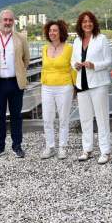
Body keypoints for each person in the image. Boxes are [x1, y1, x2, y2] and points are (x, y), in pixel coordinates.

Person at [0, 9, 30, 159]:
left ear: (13, 22)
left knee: (16, 116)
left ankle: (17, 146)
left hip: (16, 83)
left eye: (10, 20)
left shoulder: (21, 38)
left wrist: (20, 71)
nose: (8, 22)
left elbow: (26, 59)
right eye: (5, 20)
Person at [71, 11, 112, 164]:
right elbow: (72, 60)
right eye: (84, 22)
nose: (87, 24)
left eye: (89, 21)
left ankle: (105, 151)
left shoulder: (101, 39)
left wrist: (94, 65)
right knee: (85, 119)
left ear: (94, 23)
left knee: (101, 118)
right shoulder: (76, 41)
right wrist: (75, 65)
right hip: (81, 84)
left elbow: (109, 61)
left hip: (98, 84)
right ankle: (87, 149)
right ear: (80, 25)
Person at [40, 20, 75, 160]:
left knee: (63, 118)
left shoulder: (69, 49)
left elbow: (73, 69)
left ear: (61, 32)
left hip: (64, 87)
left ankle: (63, 147)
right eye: (50, 31)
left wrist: (75, 88)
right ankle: (50, 146)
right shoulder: (44, 49)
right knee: (47, 118)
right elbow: (44, 68)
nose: (52, 33)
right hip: (47, 87)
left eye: (55, 30)